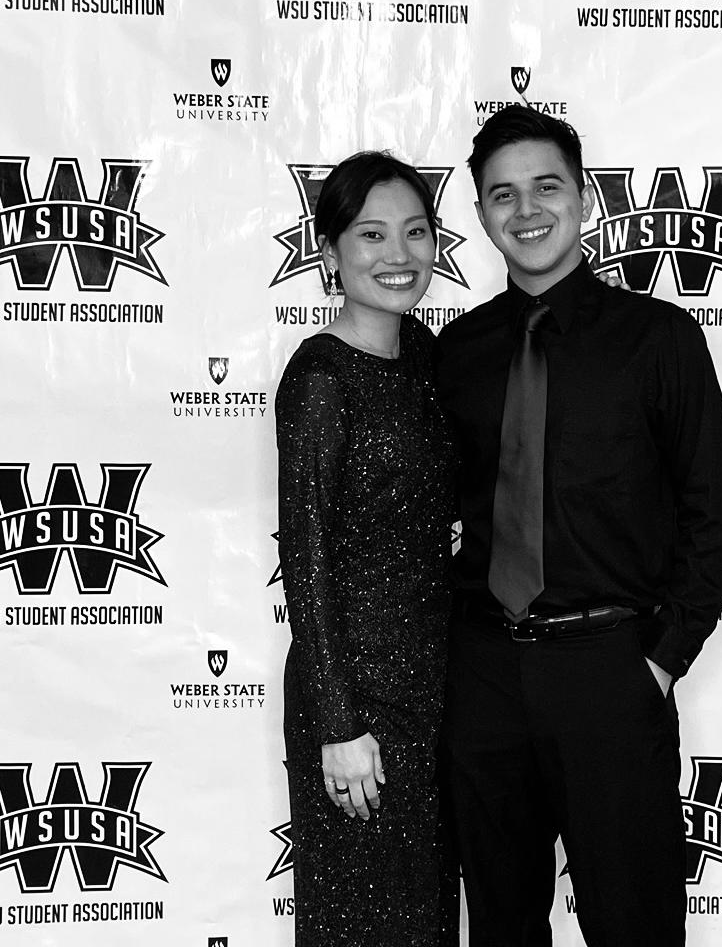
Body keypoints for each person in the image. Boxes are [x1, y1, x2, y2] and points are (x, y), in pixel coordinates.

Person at [436, 105, 722, 947]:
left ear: (585, 197)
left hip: (609, 669)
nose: (526, 209)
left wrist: (661, 659)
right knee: (501, 925)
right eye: (503, 194)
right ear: (481, 213)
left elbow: (712, 508)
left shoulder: (659, 338)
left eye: (547, 187)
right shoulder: (456, 352)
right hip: (484, 672)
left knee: (633, 925)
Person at [275, 152, 458, 947]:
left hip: (436, 691)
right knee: (362, 920)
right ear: (330, 253)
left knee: (426, 918)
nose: (398, 255)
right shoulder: (320, 376)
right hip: (357, 701)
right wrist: (338, 724)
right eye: (372, 235)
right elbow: (305, 557)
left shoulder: (423, 354)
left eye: (415, 233)